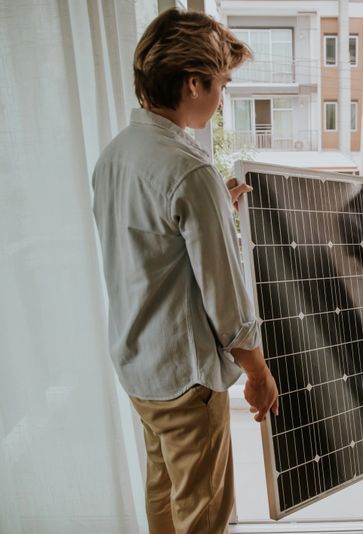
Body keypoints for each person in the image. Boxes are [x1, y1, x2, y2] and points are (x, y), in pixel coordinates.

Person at [91, 9, 278, 534]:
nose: (222, 98)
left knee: (164, 492)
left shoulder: (116, 155)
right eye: (222, 84)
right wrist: (259, 374)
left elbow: (149, 244)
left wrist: (214, 201)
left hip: (139, 366)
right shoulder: (189, 169)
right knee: (203, 512)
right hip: (186, 377)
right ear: (194, 82)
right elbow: (227, 301)